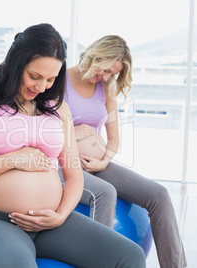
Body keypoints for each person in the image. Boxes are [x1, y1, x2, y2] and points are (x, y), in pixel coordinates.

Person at [0, 23, 146, 268]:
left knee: (130, 256)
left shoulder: (58, 108)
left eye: (51, 79)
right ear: (16, 64)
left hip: (50, 223)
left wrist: (59, 216)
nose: (41, 87)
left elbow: (73, 176)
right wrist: (12, 159)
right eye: (35, 76)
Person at [64, 35, 187, 268]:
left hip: (97, 165)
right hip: (64, 163)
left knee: (159, 194)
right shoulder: (60, 81)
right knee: (106, 193)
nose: (107, 77)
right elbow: (40, 128)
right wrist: (72, 132)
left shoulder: (106, 88)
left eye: (113, 74)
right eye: (106, 69)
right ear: (95, 55)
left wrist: (103, 162)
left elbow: (114, 139)